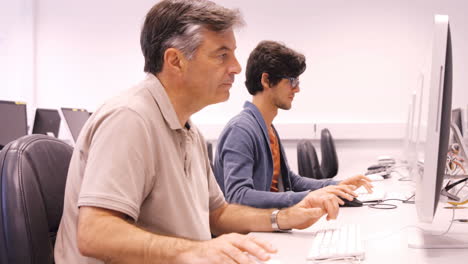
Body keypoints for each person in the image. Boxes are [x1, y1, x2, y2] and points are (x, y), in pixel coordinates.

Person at [54, 1, 350, 263]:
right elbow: (94, 234)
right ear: (175, 61)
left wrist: (285, 218)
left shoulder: (187, 128)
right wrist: (194, 251)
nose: (235, 67)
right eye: (222, 55)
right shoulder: (130, 119)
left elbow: (217, 214)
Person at [214, 40, 373, 209]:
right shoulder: (241, 130)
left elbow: (291, 180)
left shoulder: (267, 127)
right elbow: (238, 196)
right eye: (292, 81)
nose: (297, 89)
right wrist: (309, 197)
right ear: (266, 80)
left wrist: (336, 186)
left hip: (274, 224)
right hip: (250, 231)